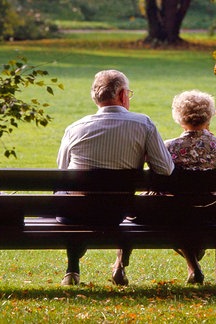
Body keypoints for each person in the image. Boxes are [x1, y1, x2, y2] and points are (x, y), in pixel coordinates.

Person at [56, 69, 174, 286]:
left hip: (76, 214)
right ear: (122, 95)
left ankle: (72, 268)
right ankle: (120, 266)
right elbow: (166, 169)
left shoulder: (75, 128)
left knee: (70, 195)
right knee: (121, 200)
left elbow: (62, 172)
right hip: (117, 212)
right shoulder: (143, 124)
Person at [113, 90, 216, 285]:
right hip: (209, 212)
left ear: (179, 117)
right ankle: (194, 266)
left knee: (139, 207)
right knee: (182, 212)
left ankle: (120, 262)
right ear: (209, 116)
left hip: (168, 212)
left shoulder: (169, 147)